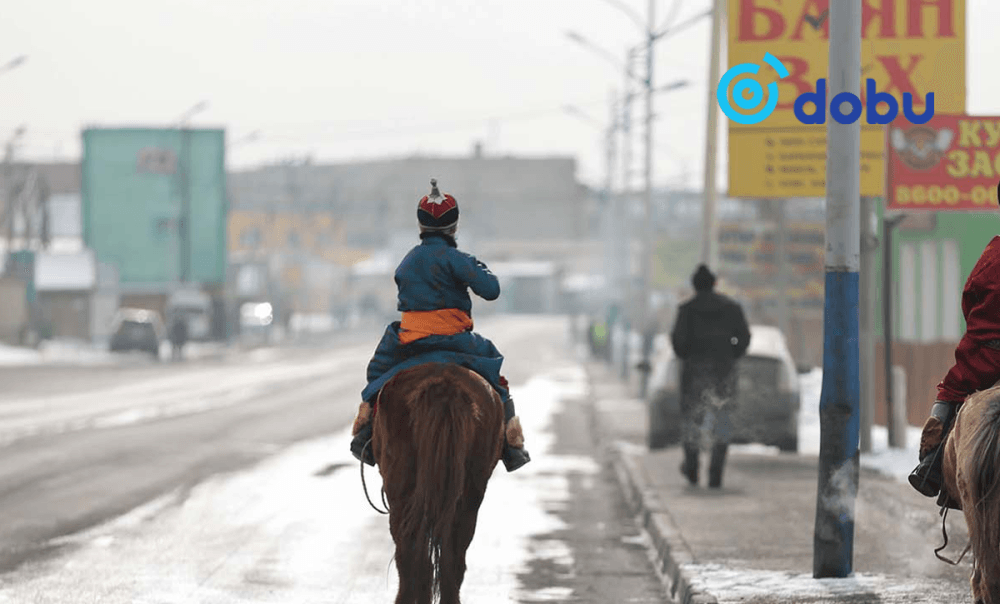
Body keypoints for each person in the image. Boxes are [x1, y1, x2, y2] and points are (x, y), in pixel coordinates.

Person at [349, 179, 531, 472]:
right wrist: (473, 267)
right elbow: (492, 289)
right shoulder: (457, 259)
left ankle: (365, 431)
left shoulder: (406, 261)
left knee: (377, 374)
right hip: (455, 341)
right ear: (454, 227)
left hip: (410, 340)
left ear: (421, 227)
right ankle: (512, 445)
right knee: (495, 374)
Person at [909, 230, 1000, 509]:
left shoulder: (993, 254)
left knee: (953, 389)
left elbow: (970, 301)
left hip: (991, 353)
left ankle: (932, 467)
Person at [670, 265, 751, 488]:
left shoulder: (686, 310)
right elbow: (743, 339)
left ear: (694, 285)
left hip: (694, 375)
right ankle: (715, 475)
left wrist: (691, 356)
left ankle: (693, 470)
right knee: (721, 424)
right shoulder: (732, 308)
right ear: (714, 283)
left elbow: (678, 343)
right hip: (723, 375)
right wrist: (729, 354)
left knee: (692, 423)